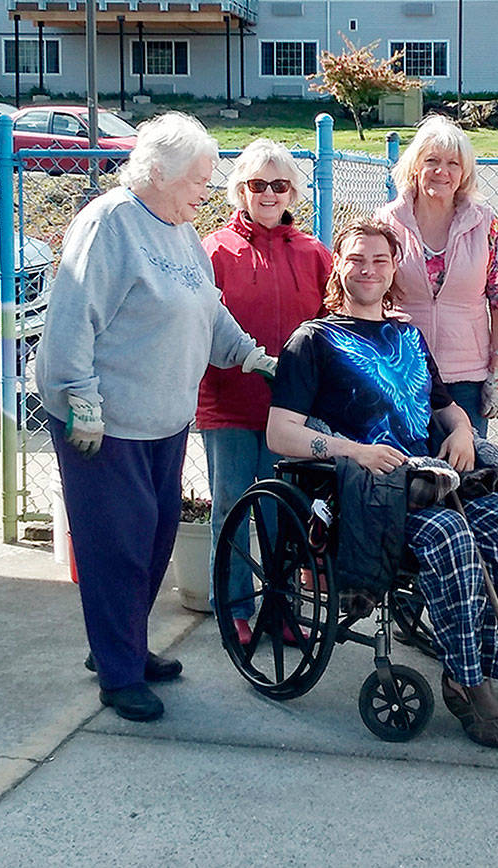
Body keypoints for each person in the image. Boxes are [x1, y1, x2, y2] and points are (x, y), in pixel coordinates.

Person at [266, 218, 498, 749]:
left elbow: (443, 406)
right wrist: (355, 450)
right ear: (339, 265)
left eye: (380, 260)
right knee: (450, 536)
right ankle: (468, 682)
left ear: (393, 268)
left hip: (431, 478)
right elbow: (280, 433)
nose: (369, 269)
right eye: (357, 259)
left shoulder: (407, 334)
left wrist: (465, 431)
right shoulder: (313, 341)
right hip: (368, 489)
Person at [37, 112, 277, 723]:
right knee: (116, 547)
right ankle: (118, 675)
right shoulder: (111, 222)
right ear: (160, 173)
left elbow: (208, 309)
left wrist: (250, 356)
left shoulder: (179, 229)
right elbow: (71, 319)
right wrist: (79, 402)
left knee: (152, 538)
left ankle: (123, 646)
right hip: (106, 425)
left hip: (166, 422)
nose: (207, 188)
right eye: (198, 178)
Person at [197, 140, 331, 645]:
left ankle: (282, 608)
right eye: (257, 185)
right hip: (228, 404)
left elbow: (331, 326)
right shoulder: (213, 252)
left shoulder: (314, 254)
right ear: (239, 191)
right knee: (232, 505)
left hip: (291, 412)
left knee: (283, 511)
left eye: (279, 185)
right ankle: (231, 608)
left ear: (293, 191)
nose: (269, 194)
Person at [375, 115, 498, 438]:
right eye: (432, 161)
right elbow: (370, 294)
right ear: (415, 167)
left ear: (464, 173)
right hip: (403, 372)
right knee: (409, 477)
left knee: (467, 477)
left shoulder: (486, 224)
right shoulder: (386, 223)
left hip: (467, 377)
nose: (442, 172)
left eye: (453, 163)